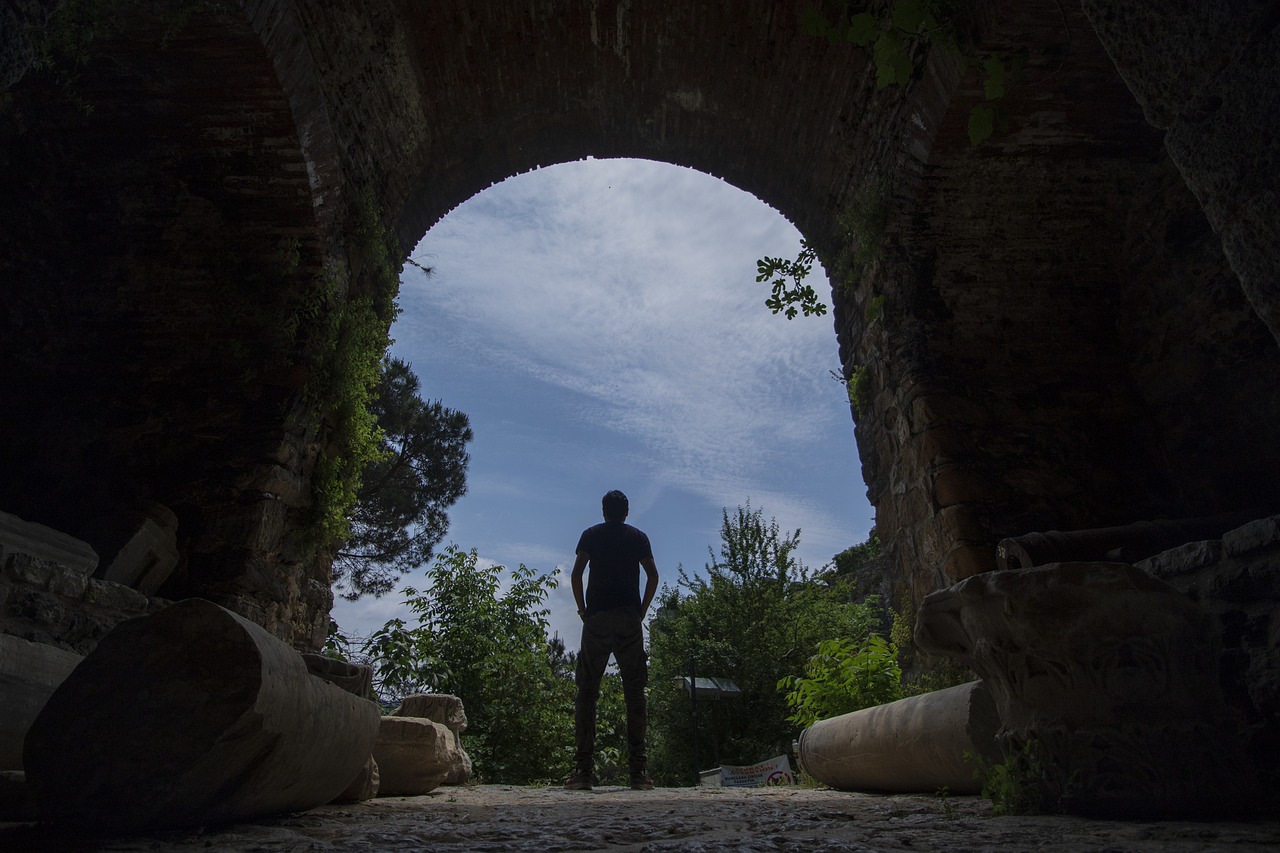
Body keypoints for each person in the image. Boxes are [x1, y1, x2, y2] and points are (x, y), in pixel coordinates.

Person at [564, 489, 660, 791]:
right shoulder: (639, 538)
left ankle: (583, 772)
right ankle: (637, 773)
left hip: (598, 619)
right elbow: (653, 576)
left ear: (603, 511)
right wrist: (641, 612)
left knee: (587, 691)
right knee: (634, 692)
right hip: (630, 619)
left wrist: (583, 610)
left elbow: (577, 574)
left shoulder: (590, 535)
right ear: (627, 511)